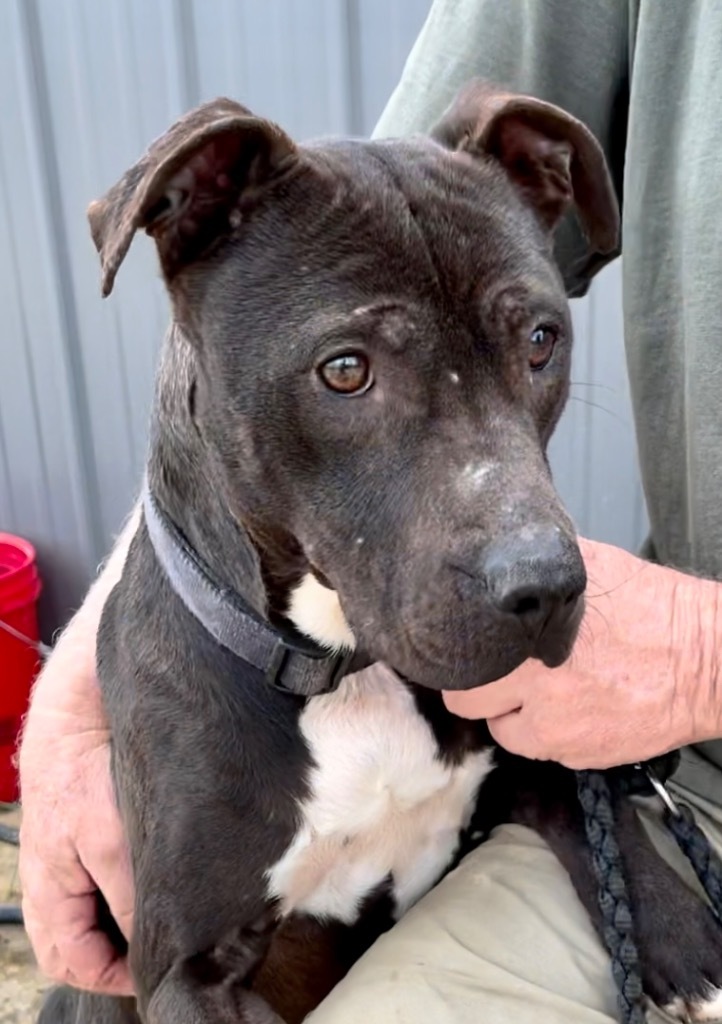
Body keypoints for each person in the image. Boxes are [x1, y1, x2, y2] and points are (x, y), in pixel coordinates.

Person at [17, 1, 722, 1021]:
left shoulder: (474, 625)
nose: (528, 545)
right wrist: (68, 709)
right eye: (350, 369)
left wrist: (698, 660)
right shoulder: (315, 225)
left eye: (530, 347)